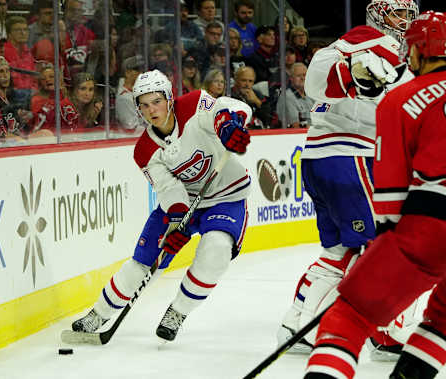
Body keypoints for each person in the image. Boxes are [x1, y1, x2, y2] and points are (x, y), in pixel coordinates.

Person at [303, 11, 446, 379]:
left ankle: (369, 330)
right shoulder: (362, 43)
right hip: (341, 152)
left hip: (432, 223)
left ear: (418, 51)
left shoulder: (402, 98)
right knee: (442, 323)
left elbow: (393, 190)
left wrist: (387, 243)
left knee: (351, 311)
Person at [276, 0, 418, 360]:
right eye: (397, 14)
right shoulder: (370, 43)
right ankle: (387, 333)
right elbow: (322, 82)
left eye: (408, 14)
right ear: (378, 14)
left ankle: (297, 325)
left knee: (340, 248)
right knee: (386, 245)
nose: (405, 22)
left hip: (322, 158)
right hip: (350, 156)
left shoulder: (358, 48)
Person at [70, 69, 252, 343]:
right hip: (182, 203)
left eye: (156, 101)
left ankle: (177, 312)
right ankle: (100, 312)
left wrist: (228, 126)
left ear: (169, 99)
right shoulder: (144, 150)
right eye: (144, 104)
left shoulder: (192, 104)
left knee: (216, 249)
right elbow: (167, 188)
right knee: (143, 262)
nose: (151, 110)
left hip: (227, 195)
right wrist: (178, 221)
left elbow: (232, 108)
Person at [276, 62, 314, 128]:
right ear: (291, 78)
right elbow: (295, 126)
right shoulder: (287, 97)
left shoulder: (311, 95)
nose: (302, 78)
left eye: (304, 75)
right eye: (298, 76)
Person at [115, 55, 146, 131]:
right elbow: (131, 129)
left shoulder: (138, 92)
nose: (142, 73)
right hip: (130, 141)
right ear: (127, 73)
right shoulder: (124, 98)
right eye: (138, 70)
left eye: (143, 70)